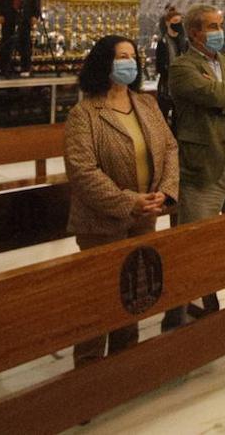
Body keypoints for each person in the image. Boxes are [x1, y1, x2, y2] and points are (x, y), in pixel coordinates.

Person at [65, 35, 179, 364]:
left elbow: (170, 148)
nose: (129, 62)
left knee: (133, 292)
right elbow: (83, 172)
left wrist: (166, 192)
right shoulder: (84, 113)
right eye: (121, 57)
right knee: (99, 299)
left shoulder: (146, 103)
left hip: (145, 216)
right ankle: (87, 372)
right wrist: (129, 201)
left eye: (132, 57)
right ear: (104, 63)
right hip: (101, 222)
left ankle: (123, 362)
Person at [167, 3, 225, 308]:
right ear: (194, 32)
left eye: (220, 26)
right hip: (203, 169)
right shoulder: (183, 67)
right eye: (212, 27)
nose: (219, 32)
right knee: (196, 246)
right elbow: (213, 95)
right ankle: (191, 310)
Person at [154, 6, 187, 124]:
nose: (178, 25)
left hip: (181, 85)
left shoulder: (184, 42)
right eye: (175, 22)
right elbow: (159, 66)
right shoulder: (163, 42)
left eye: (180, 22)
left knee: (179, 119)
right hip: (166, 85)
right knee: (162, 116)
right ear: (168, 23)